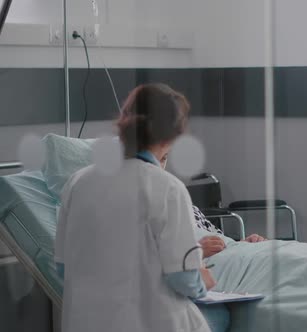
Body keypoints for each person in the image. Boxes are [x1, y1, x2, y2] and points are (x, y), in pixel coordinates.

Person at [54, 83, 215, 332]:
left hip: (85, 323)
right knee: (221, 315)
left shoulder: (77, 183)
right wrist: (201, 282)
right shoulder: (168, 188)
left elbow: (63, 269)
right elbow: (183, 278)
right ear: (172, 136)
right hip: (151, 323)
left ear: (123, 125)